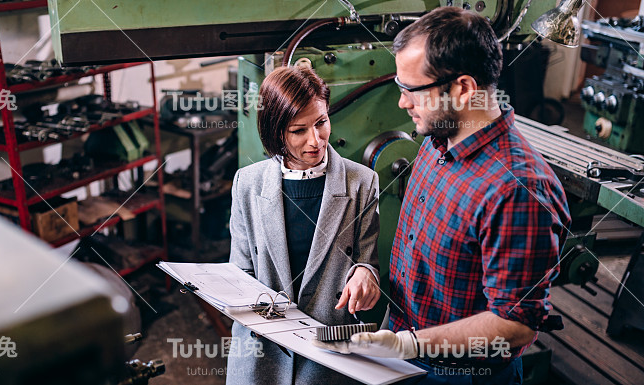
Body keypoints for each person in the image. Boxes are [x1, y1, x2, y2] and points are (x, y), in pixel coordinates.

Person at [314, 7, 571, 385]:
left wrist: (409, 344)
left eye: (411, 90)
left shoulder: (518, 189)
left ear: (463, 88)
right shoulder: (438, 142)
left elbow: (516, 323)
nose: (402, 103)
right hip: (407, 353)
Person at [226, 66, 382, 385]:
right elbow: (239, 273)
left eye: (321, 122)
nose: (315, 140)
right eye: (299, 130)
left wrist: (367, 274)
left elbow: (367, 261)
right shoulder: (247, 184)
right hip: (261, 355)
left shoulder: (362, 183)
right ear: (275, 132)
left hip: (329, 357)